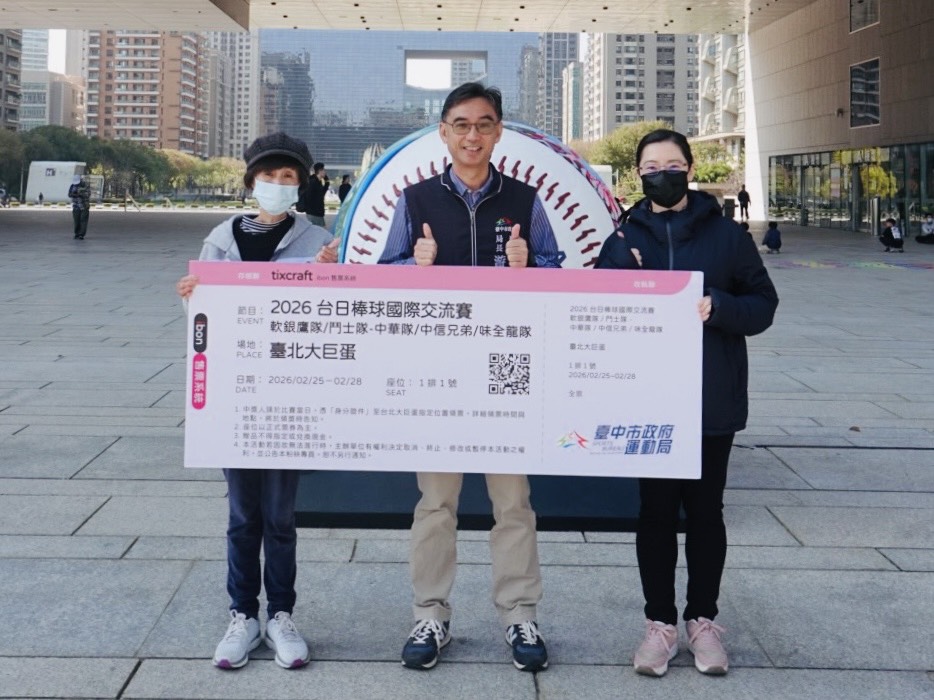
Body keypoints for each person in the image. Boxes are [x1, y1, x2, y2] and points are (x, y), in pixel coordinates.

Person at [379, 82, 562, 673]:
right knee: (437, 502)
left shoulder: (526, 199)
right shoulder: (415, 199)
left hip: (506, 368)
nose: (473, 135)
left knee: (514, 502)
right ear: (444, 132)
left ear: (499, 131)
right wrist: (415, 266)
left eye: (484, 124)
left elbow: (557, 271)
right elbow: (384, 277)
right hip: (438, 371)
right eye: (461, 124)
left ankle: (520, 615)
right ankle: (429, 614)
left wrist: (529, 266)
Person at [595, 129, 778, 678]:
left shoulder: (728, 236)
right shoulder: (622, 236)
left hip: (710, 397)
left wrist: (718, 306)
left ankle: (702, 621)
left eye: (672, 165)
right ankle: (659, 623)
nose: (662, 174)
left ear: (690, 169)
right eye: (651, 166)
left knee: (705, 512)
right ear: (638, 174)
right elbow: (599, 306)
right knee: (654, 513)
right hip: (648, 400)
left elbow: (763, 304)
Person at [175, 132, 339, 671]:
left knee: (281, 517)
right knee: (243, 514)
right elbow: (203, 322)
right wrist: (190, 297)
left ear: (301, 185)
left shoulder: (319, 240)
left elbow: (339, 315)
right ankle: (243, 614)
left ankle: (281, 615)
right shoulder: (221, 239)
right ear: (251, 182)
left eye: (288, 177)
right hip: (234, 395)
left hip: (290, 395)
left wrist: (334, 274)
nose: (277, 184)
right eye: (268, 176)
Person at [297, 162, 329, 226]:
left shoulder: (318, 182)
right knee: (319, 231)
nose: (325, 172)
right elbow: (308, 197)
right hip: (313, 213)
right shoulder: (312, 182)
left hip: (318, 213)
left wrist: (327, 182)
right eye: (324, 170)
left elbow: (321, 194)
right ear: (320, 171)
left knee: (320, 230)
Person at [68, 176, 91, 240]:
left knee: (83, 221)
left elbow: (88, 194)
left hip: (84, 206)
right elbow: (69, 194)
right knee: (76, 221)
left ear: (80, 180)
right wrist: (74, 194)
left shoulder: (85, 185)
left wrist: (80, 194)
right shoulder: (72, 186)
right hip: (76, 206)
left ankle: (81, 234)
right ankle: (77, 233)